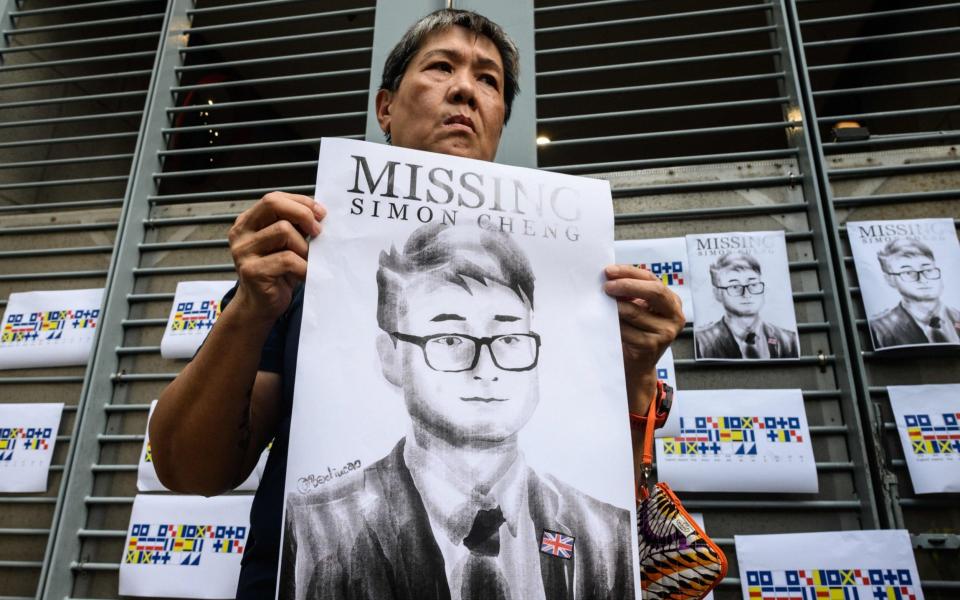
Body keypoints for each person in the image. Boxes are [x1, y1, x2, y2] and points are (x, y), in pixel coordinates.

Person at [150, 9, 684, 599]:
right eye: (441, 66)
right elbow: (189, 470)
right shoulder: (301, 261)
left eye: (489, 80)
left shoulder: (597, 528)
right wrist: (250, 310)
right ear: (385, 106)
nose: (465, 88)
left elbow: (618, 476)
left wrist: (632, 374)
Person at [280, 223, 633, 600]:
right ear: (391, 357)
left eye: (510, 338)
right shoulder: (315, 529)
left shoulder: (606, 532)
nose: (485, 369)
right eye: (450, 339)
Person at [695, 252, 798, 359]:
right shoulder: (702, 342)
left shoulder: (788, 339)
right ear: (717, 293)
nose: (746, 294)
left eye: (753, 284)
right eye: (735, 286)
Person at [869, 238, 960, 348]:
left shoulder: (957, 316)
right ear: (890, 279)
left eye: (928, 270)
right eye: (908, 272)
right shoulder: (879, 329)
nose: (922, 279)